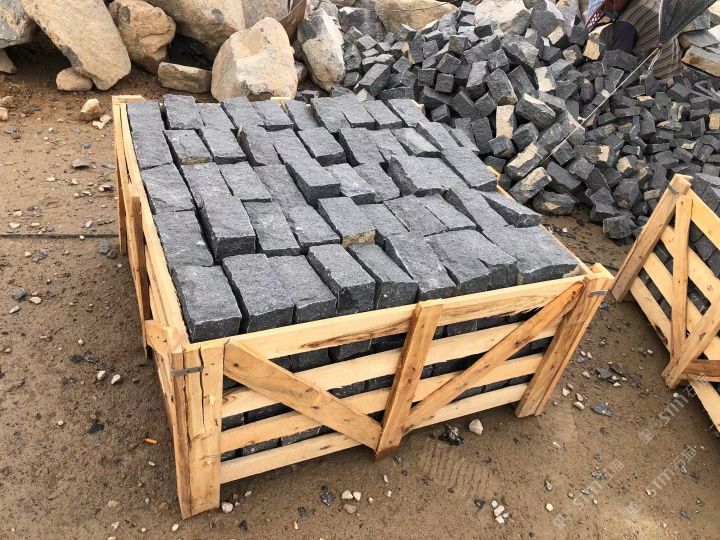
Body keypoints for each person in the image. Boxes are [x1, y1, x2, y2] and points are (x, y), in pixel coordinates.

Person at [586, 0, 682, 80]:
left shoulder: (626, 23)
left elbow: (619, 62)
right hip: (674, 70)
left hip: (655, 77)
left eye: (604, 8)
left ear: (612, 2)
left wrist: (606, 76)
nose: (605, 11)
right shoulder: (645, 2)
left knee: (607, 33)